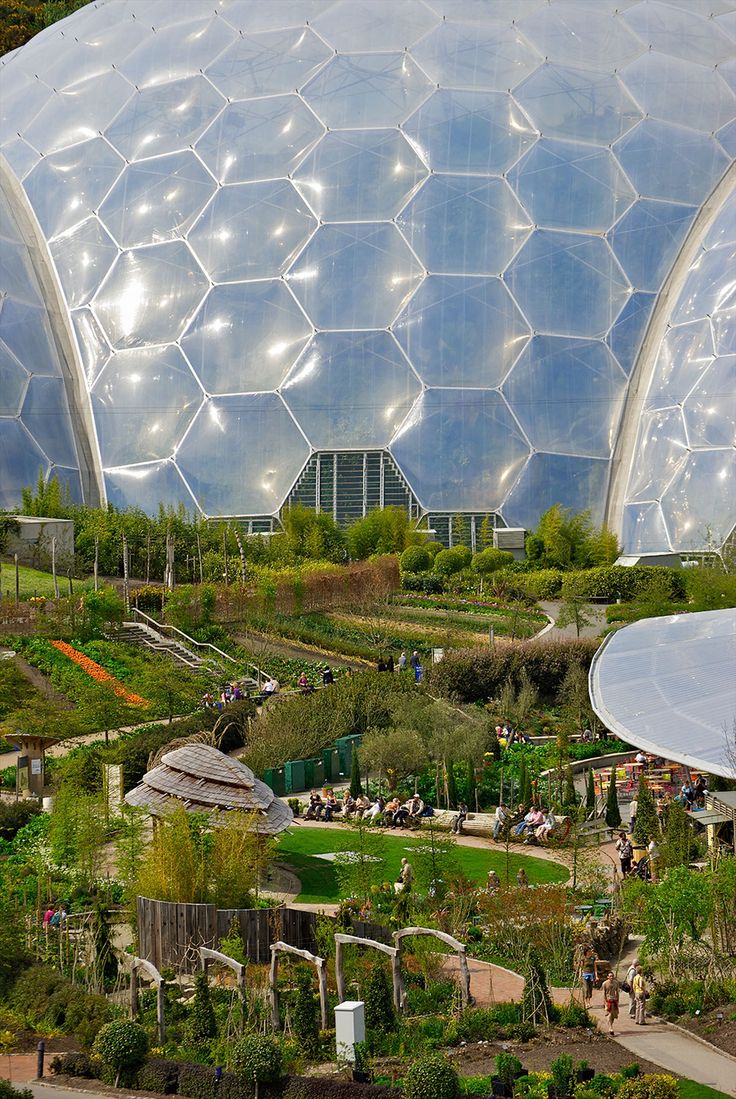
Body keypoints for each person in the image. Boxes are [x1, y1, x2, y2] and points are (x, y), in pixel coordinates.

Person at [602, 971, 621, 1035]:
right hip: (608, 1000)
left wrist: (618, 1000)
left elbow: (617, 992)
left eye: (612, 976)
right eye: (610, 976)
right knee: (609, 1014)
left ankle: (611, 1025)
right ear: (607, 977)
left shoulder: (616, 983)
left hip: (614, 1000)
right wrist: (605, 1002)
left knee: (613, 1015)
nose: (611, 977)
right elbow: (604, 993)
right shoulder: (605, 983)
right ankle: (610, 1027)